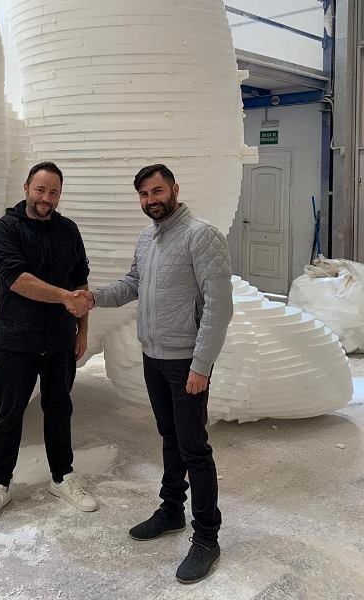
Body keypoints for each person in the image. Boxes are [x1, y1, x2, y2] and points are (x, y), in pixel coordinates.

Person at [77, 164, 233, 584]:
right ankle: (171, 510)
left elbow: (219, 307)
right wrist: (93, 298)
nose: (151, 200)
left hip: (185, 363)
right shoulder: (147, 237)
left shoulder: (202, 235)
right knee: (170, 437)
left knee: (194, 448)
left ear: (175, 189)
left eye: (157, 191)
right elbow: (133, 284)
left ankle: (207, 537)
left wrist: (201, 365)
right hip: (154, 357)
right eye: (144, 195)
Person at [0, 161, 97, 527]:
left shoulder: (68, 230)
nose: (46, 198)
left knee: (59, 410)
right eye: (40, 190)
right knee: (9, 415)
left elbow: (81, 282)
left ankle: (63, 478)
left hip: (59, 341)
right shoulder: (6, 228)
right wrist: (64, 297)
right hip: (15, 340)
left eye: (54, 192)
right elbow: (17, 279)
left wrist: (82, 331)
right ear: (27, 188)